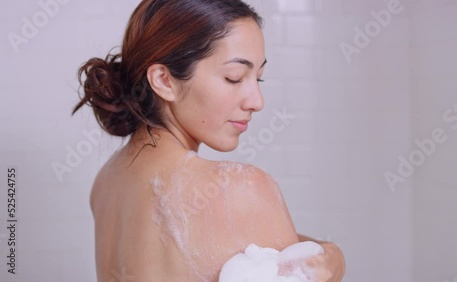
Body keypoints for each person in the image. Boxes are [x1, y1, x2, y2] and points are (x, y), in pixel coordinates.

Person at [73, 0, 345, 281]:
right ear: (164, 81)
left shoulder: (107, 181)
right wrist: (334, 261)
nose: (257, 101)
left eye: (258, 79)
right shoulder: (240, 188)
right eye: (234, 77)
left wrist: (328, 250)